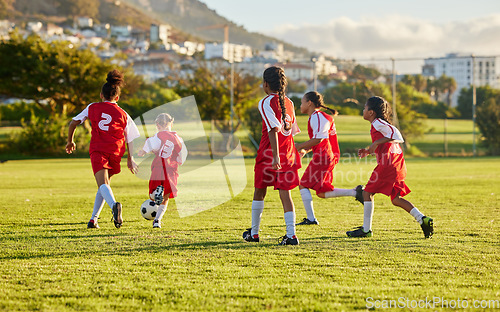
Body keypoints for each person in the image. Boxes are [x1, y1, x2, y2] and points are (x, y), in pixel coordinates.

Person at [347, 96, 434, 238]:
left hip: (389, 165)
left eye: (365, 108)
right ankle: (423, 219)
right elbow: (387, 143)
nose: (363, 110)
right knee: (396, 199)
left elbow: (398, 135)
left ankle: (366, 230)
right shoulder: (378, 124)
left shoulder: (377, 123)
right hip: (397, 164)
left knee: (366, 193)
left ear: (371, 112)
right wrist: (369, 150)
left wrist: (376, 143)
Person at [66, 69, 140, 229]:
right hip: (115, 151)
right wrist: (130, 158)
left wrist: (70, 141)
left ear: (101, 95)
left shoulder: (92, 107)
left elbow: (73, 122)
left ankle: (114, 205)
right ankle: (93, 220)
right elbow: (131, 137)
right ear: (117, 97)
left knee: (103, 184)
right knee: (104, 184)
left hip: (98, 149)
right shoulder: (123, 113)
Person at [242, 66, 302, 245]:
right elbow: (291, 131)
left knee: (260, 190)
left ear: (266, 84)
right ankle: (291, 235)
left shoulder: (266, 101)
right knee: (286, 194)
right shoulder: (289, 102)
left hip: (270, 153)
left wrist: (275, 156)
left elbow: (273, 129)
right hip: (288, 153)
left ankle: (254, 233)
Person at [295, 91, 363, 225]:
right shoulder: (320, 117)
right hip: (326, 156)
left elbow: (319, 139)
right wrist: (306, 149)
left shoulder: (317, 117)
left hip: (323, 157)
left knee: (303, 185)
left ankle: (311, 219)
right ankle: (355, 192)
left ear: (309, 103)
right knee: (321, 192)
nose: (300, 105)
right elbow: (321, 139)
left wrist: (298, 146)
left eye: (302, 102)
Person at [137, 113, 187, 229]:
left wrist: (143, 152)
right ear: (171, 123)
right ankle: (157, 221)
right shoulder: (178, 138)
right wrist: (177, 161)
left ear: (158, 125)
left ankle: (156, 193)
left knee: (151, 195)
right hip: (171, 170)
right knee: (166, 197)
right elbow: (182, 155)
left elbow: (150, 144)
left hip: (158, 167)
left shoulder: (158, 135)